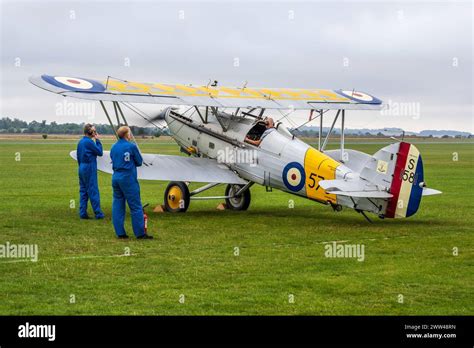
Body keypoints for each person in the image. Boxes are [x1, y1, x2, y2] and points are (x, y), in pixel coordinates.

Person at [110, 126, 153, 239]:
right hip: (128, 178)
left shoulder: (113, 147)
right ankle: (140, 233)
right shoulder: (131, 146)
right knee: (135, 206)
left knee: (118, 205)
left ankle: (120, 233)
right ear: (127, 134)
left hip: (115, 176)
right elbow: (139, 162)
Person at [77, 123, 105, 219]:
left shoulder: (80, 142)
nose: (96, 132)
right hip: (89, 167)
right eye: (94, 131)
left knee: (83, 191)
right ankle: (98, 213)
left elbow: (78, 156)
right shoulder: (89, 142)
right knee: (93, 190)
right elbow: (100, 152)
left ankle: (82, 213)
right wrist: (97, 140)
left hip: (81, 167)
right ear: (91, 132)